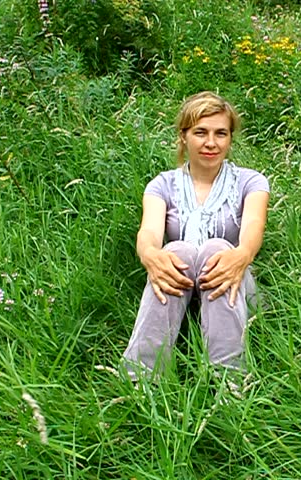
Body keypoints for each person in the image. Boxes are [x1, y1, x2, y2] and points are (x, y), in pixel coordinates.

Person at [122, 91, 270, 381]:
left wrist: (241, 255)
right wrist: (150, 254)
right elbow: (150, 232)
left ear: (230, 139)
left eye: (221, 133)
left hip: (235, 288)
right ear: (184, 136)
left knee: (216, 248)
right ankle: (141, 379)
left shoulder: (251, 181)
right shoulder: (162, 184)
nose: (211, 143)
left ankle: (231, 381)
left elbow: (253, 227)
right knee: (176, 250)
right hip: (178, 286)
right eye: (201, 132)